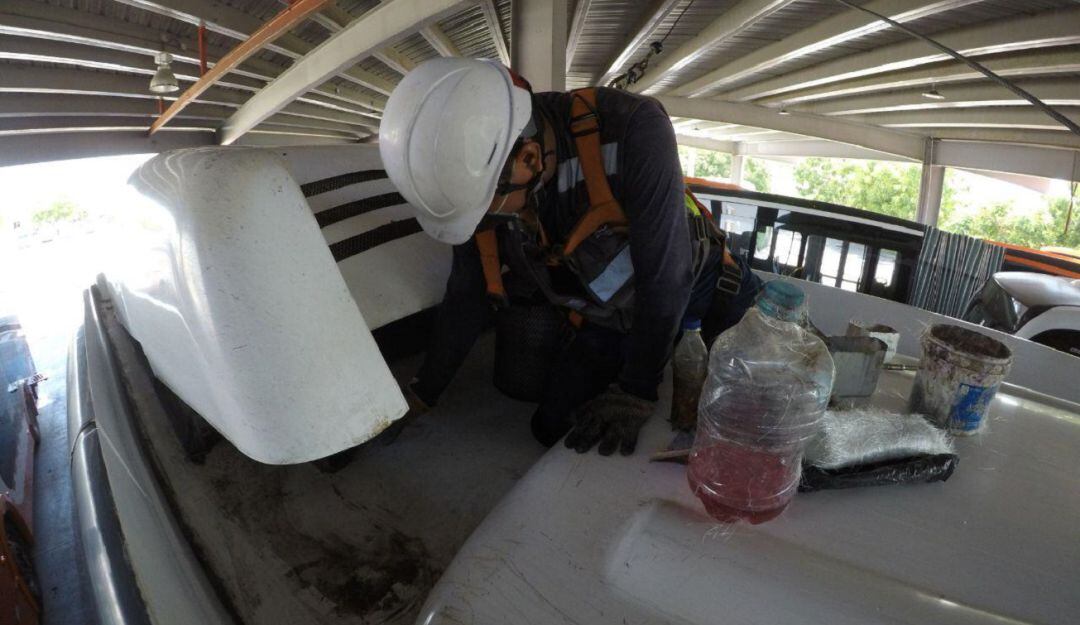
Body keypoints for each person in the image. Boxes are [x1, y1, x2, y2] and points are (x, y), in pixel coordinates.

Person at [379, 58, 760, 456]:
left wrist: (637, 389)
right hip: (612, 320)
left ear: (528, 159)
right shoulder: (481, 182)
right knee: (553, 429)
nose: (483, 223)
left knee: (748, 421)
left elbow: (666, 276)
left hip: (706, 298)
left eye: (485, 210)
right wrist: (423, 392)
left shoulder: (632, 127)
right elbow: (466, 295)